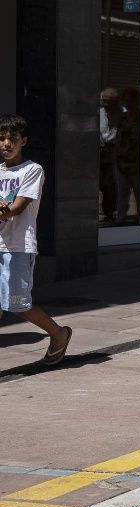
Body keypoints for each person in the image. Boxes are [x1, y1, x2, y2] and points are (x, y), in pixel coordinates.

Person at [0, 114, 72, 365]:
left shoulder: (32, 170)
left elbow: (16, 208)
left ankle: (59, 334)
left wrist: (4, 207)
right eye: (1, 139)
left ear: (24, 141)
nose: (6, 144)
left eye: (13, 139)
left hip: (18, 246)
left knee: (18, 304)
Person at [98, 88, 121, 224]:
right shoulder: (99, 113)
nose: (105, 106)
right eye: (103, 102)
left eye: (108, 103)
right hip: (101, 150)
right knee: (102, 183)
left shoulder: (122, 113)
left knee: (110, 183)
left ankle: (110, 212)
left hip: (115, 150)